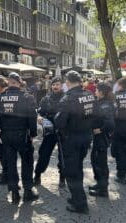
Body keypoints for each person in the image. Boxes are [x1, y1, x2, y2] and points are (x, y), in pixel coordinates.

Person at [54, 71, 96, 214]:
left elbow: (60, 122)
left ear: (67, 82)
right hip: (85, 137)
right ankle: (76, 197)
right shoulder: (89, 95)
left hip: (71, 139)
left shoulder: (68, 98)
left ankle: (80, 204)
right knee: (77, 167)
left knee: (72, 171)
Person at [0, 72, 39, 204]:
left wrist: (0, 134)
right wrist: (33, 134)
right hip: (22, 135)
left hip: (6, 136)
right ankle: (28, 191)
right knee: (27, 162)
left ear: (8, 83)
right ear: (19, 83)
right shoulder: (27, 97)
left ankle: (14, 193)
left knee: (11, 163)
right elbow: (32, 117)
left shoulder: (0, 97)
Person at [33, 76, 65, 187]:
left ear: (62, 85)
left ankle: (62, 178)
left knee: (63, 156)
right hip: (49, 130)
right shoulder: (46, 99)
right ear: (51, 86)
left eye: (58, 84)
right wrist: (39, 117)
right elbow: (39, 112)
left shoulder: (66, 98)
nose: (55, 86)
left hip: (63, 131)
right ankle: (37, 175)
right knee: (44, 153)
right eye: (54, 84)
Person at [89, 82, 115, 197]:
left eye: (96, 90)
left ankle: (103, 189)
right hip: (98, 137)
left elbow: (110, 123)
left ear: (101, 93)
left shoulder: (106, 105)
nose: (95, 92)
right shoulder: (101, 103)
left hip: (101, 138)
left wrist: (101, 130)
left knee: (101, 162)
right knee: (95, 160)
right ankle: (99, 183)